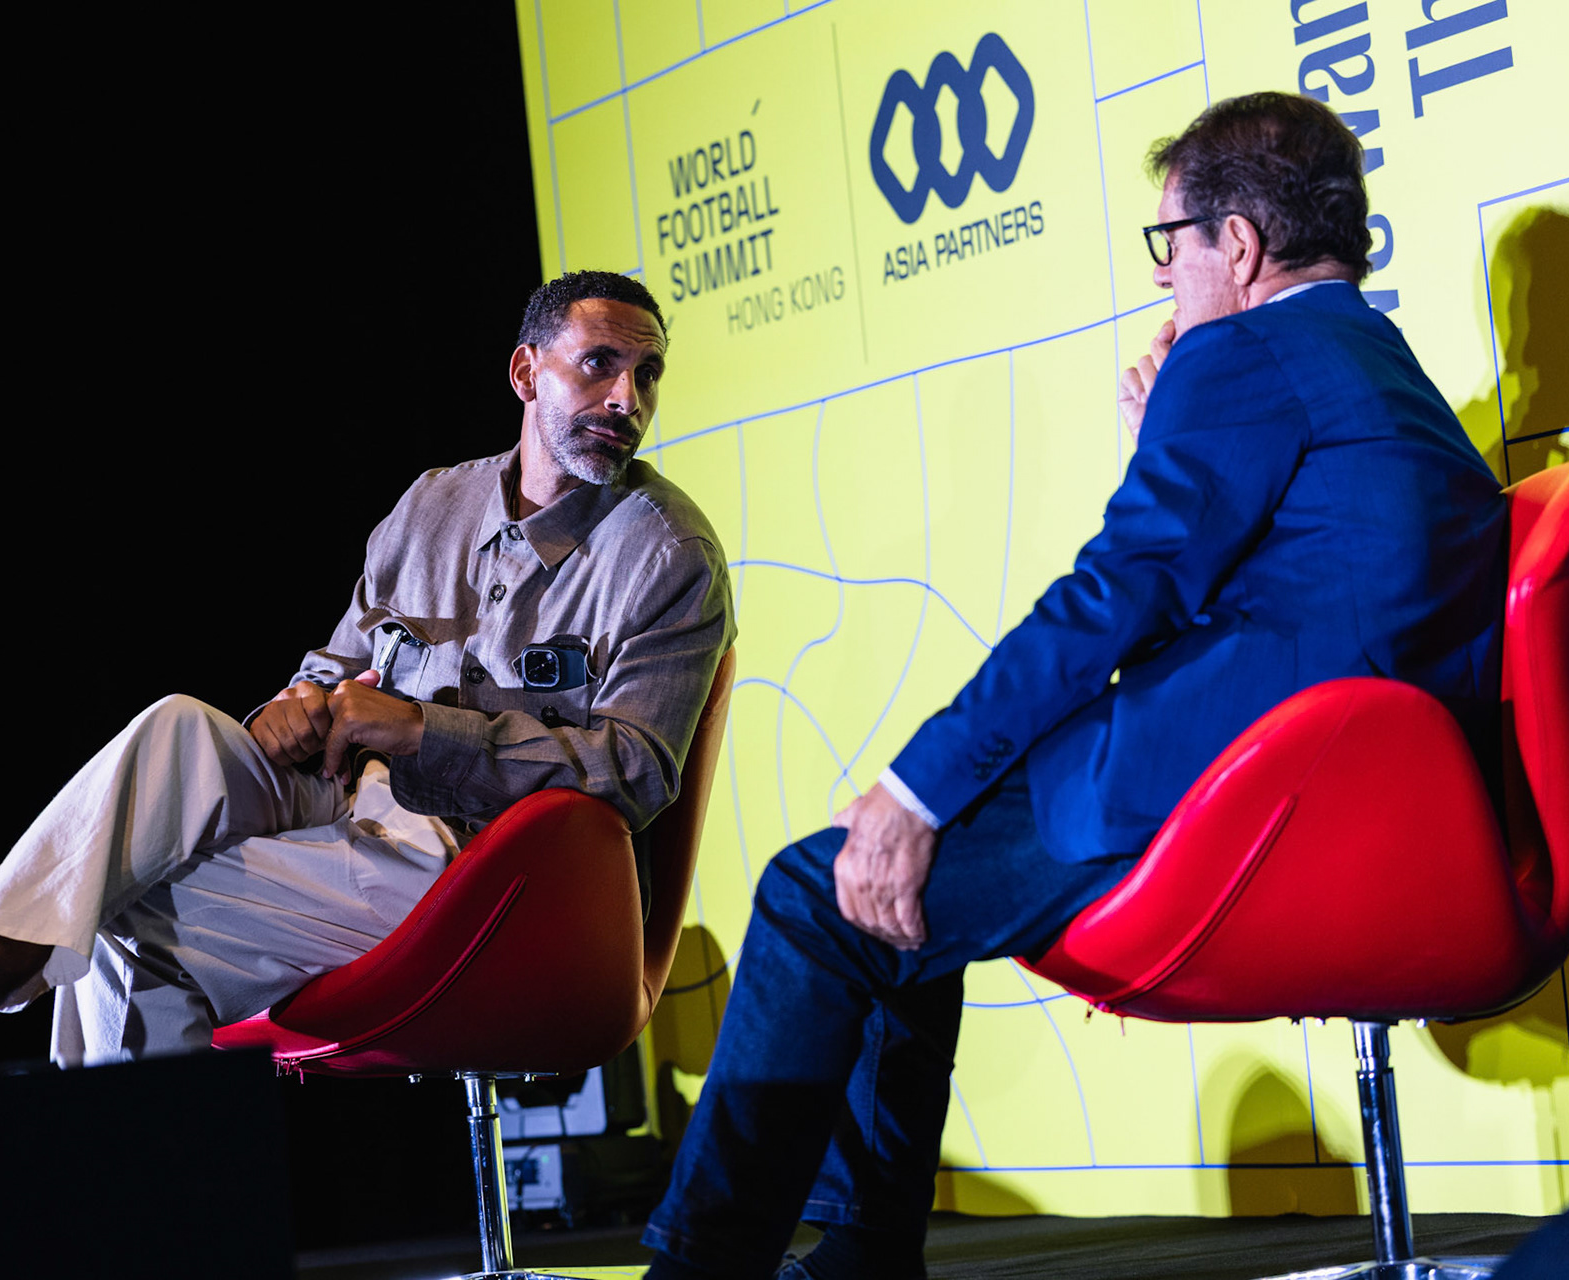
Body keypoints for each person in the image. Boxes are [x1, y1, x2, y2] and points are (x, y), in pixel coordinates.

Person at [639, 92, 1508, 1280]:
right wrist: (1160, 438)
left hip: (1227, 800)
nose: (1166, 281)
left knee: (819, 893)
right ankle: (860, 1251)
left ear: (1237, 247)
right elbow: (1274, 583)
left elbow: (1117, 592)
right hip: (1375, 799)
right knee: (892, 903)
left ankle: (707, 1266)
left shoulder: (1242, 353)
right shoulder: (1375, 359)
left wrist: (917, 786)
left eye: (1172, 245)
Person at [0, 269, 735, 1078]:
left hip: (487, 875)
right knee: (180, 724)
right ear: (526, 373)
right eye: (600, 365)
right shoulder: (433, 502)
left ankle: (10, 1073)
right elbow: (338, 662)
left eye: (646, 373)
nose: (627, 397)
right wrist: (297, 704)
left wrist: (421, 731)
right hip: (352, 806)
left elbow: (636, 772)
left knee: (116, 911)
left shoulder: (668, 554)